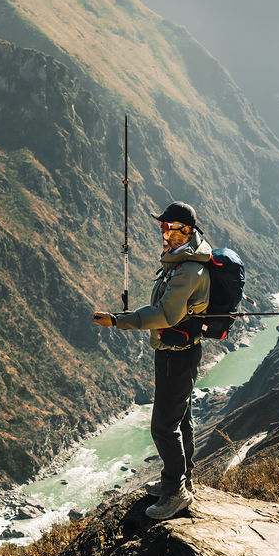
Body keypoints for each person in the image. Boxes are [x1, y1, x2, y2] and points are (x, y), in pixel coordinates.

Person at [92, 201, 211, 520]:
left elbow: (165, 314)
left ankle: (176, 492)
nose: (162, 232)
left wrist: (119, 320)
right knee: (179, 420)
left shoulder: (188, 270)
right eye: (162, 227)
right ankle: (182, 480)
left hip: (178, 354)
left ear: (185, 230)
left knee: (163, 426)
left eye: (167, 227)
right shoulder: (182, 261)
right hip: (176, 352)